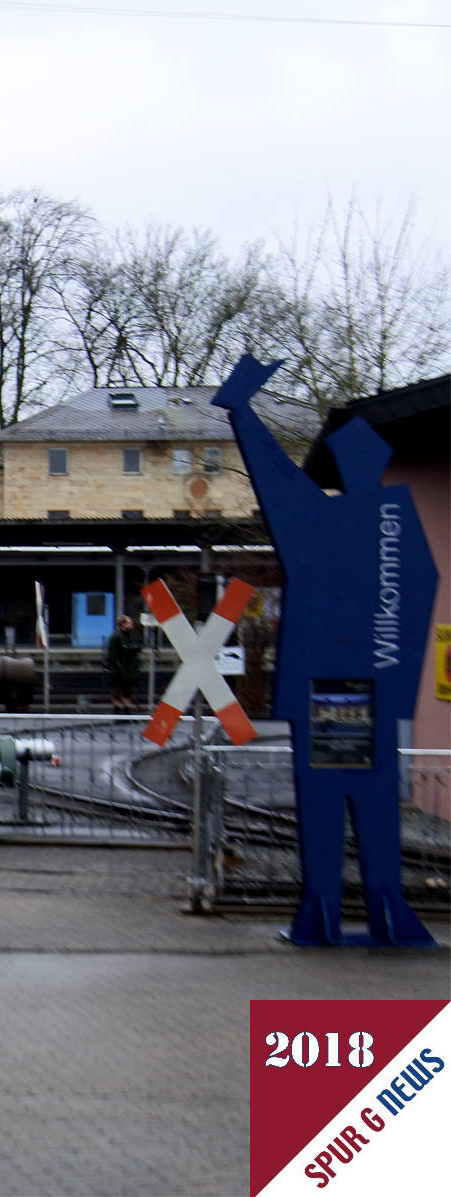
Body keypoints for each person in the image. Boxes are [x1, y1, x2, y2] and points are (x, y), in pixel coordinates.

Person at [213, 354, 436, 947]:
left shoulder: (319, 518)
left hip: (322, 688)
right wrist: (392, 679)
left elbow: (274, 474)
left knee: (323, 800)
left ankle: (323, 912)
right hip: (373, 692)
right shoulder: (398, 521)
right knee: (374, 800)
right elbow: (419, 592)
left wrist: (241, 407)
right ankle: (385, 909)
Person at [104, 614, 142, 714]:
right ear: (123, 624)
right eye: (129, 623)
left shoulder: (129, 636)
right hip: (120, 670)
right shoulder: (116, 637)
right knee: (117, 690)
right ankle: (118, 710)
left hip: (129, 670)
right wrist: (117, 666)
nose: (131, 625)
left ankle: (127, 710)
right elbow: (112, 655)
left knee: (127, 691)